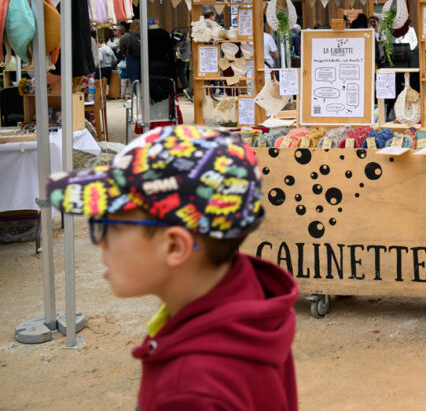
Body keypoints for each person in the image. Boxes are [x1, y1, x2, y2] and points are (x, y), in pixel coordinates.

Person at [44, 126, 298, 410]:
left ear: (176, 247)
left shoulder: (187, 393)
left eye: (111, 224)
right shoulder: (252, 304)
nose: (100, 243)